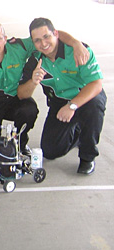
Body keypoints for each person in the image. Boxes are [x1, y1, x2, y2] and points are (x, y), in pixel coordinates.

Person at [0, 21, 90, 161]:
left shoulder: (19, 47)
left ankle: (19, 142)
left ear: (5, 38)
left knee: (29, 110)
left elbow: (51, 35)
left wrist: (76, 43)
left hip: (15, 98)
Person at [18, 17, 106, 175]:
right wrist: (33, 80)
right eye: (37, 40)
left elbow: (96, 84)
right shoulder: (34, 60)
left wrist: (72, 105)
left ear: (56, 34)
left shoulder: (79, 51)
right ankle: (79, 131)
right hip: (59, 101)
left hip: (84, 96)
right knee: (51, 151)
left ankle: (87, 156)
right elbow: (21, 94)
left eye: (47, 37)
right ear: (33, 42)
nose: (43, 43)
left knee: (94, 106)